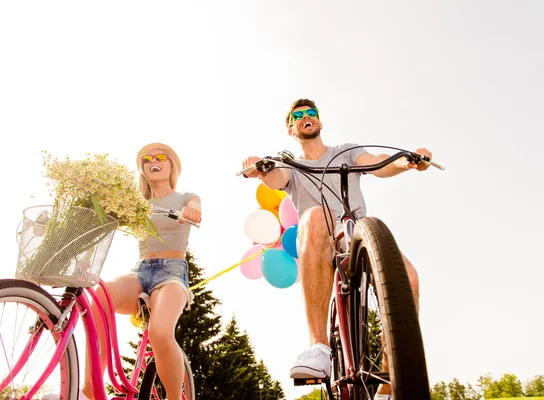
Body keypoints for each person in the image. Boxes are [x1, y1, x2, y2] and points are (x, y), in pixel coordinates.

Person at [242, 99, 431, 399]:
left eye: (311, 113)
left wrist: (406, 161)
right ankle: (319, 347)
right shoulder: (290, 163)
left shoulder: (345, 151)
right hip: (319, 242)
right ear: (291, 128)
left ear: (319, 122)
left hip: (357, 238)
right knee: (317, 215)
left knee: (408, 278)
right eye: (298, 116)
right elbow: (276, 177)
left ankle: (390, 382)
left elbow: (376, 161)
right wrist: (262, 171)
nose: (306, 117)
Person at [80, 142, 201, 399]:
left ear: (171, 166)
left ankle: (174, 397)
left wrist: (191, 211)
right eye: (146, 160)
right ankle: (92, 387)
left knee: (160, 331)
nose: (152, 161)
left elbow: (195, 208)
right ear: (142, 170)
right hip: (140, 270)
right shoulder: (136, 203)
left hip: (172, 274)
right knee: (100, 298)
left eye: (160, 157)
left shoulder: (184, 198)